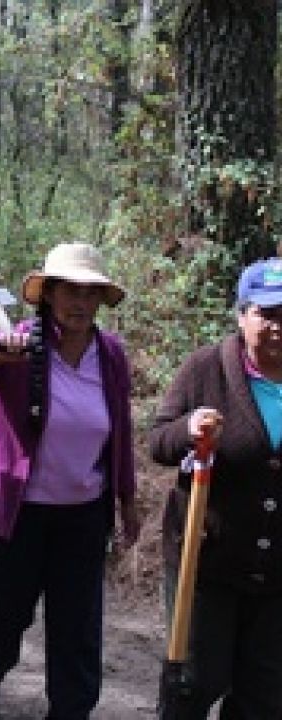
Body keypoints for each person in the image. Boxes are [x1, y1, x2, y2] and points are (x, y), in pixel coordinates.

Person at [0, 242, 140, 718]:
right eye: (70, 291)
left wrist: (127, 499)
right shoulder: (19, 342)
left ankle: (71, 709)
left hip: (85, 510)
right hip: (18, 509)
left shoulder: (110, 355)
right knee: (8, 607)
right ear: (48, 294)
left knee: (77, 622)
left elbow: (121, 430)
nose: (81, 303)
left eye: (91, 293)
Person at [150, 257, 282, 718]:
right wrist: (190, 427)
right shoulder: (206, 369)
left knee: (264, 698)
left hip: (276, 575)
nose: (277, 326)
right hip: (206, 564)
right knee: (193, 685)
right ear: (242, 315)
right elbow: (158, 441)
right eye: (267, 314)